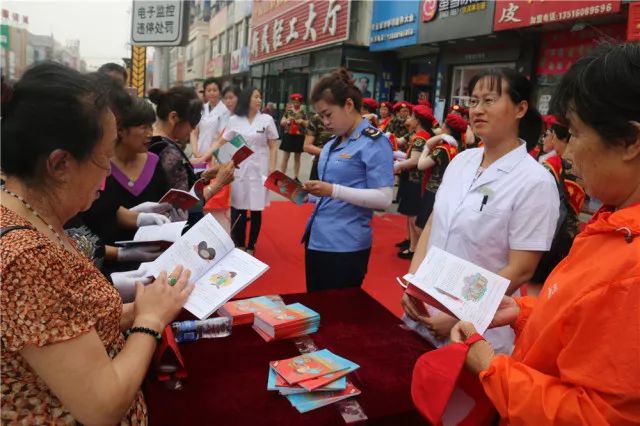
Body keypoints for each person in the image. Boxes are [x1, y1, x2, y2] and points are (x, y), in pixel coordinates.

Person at [449, 41, 640, 425]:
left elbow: (597, 415)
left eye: (575, 134)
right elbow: (582, 322)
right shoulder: (615, 222)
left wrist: (489, 366)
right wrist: (522, 311)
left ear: (629, 141)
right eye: (474, 100)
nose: (566, 155)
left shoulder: (630, 267)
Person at [0, 62, 194, 424]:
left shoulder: (31, 218)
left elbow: (69, 328)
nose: (108, 173)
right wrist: (150, 321)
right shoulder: (27, 258)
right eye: (104, 158)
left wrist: (140, 309)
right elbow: (101, 407)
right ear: (60, 164)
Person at [401, 68, 559, 356]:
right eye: (474, 102)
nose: (478, 110)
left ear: (520, 108)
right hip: (423, 312)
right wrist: (412, 284)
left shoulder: (535, 181)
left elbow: (521, 268)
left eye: (489, 100)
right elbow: (436, 223)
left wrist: (462, 314)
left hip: (476, 331)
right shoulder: (461, 161)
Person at [302, 68, 394, 292]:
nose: (324, 122)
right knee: (315, 309)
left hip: (345, 245)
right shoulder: (333, 143)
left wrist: (332, 190)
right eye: (320, 116)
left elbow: (384, 198)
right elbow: (331, 195)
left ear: (349, 105)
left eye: (328, 114)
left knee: (338, 316)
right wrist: (308, 194)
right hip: (317, 239)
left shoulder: (373, 141)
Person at [218, 87, 279, 254]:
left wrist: (273, 168)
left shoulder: (266, 119)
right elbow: (222, 143)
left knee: (256, 208)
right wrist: (211, 158)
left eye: (260, 97)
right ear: (247, 99)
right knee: (239, 207)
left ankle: (251, 245)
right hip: (239, 170)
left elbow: (273, 146)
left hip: (260, 170)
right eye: (256, 97)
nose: (259, 100)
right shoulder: (235, 120)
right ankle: (238, 244)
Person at [529, 116, 585, 289]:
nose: (545, 138)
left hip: (550, 235)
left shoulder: (551, 165)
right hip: (571, 239)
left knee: (536, 289)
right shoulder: (578, 165)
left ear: (554, 136)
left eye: (547, 134)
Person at [393, 105, 436, 259]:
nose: (408, 119)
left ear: (417, 120)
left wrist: (397, 165)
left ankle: (415, 248)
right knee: (411, 214)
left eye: (411, 116)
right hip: (413, 180)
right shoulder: (419, 134)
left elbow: (415, 161)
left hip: (415, 181)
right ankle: (412, 244)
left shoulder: (420, 137)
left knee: (413, 216)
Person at [414, 112, 464, 232]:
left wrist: (426, 149)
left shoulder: (442, 149)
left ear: (447, 129)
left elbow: (421, 165)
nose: (441, 127)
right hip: (449, 190)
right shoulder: (460, 146)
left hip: (433, 191)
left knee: (422, 227)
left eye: (444, 125)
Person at [148, 87, 203, 191]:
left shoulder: (150, 141)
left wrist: (203, 175)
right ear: (173, 117)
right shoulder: (169, 152)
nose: (194, 128)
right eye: (193, 122)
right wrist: (217, 184)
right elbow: (184, 201)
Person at [190, 78, 228, 159]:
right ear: (205, 92)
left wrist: (207, 155)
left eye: (215, 90)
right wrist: (195, 151)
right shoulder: (201, 108)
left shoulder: (225, 111)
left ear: (220, 92)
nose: (211, 93)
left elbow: (221, 138)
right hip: (198, 153)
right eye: (208, 90)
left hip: (215, 155)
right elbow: (194, 132)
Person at [279, 93, 307, 181]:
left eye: (298, 102)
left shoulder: (303, 112)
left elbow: (308, 124)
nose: (296, 103)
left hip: (299, 137)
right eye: (294, 102)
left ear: (301, 103)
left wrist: (302, 121)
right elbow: (282, 122)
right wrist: (287, 120)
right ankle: (282, 175)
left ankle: (296, 177)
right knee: (285, 157)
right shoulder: (288, 111)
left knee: (297, 158)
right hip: (288, 136)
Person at [304, 111, 335, 181]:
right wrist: (332, 154)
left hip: (345, 167)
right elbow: (307, 146)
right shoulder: (316, 118)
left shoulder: (348, 118)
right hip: (321, 163)